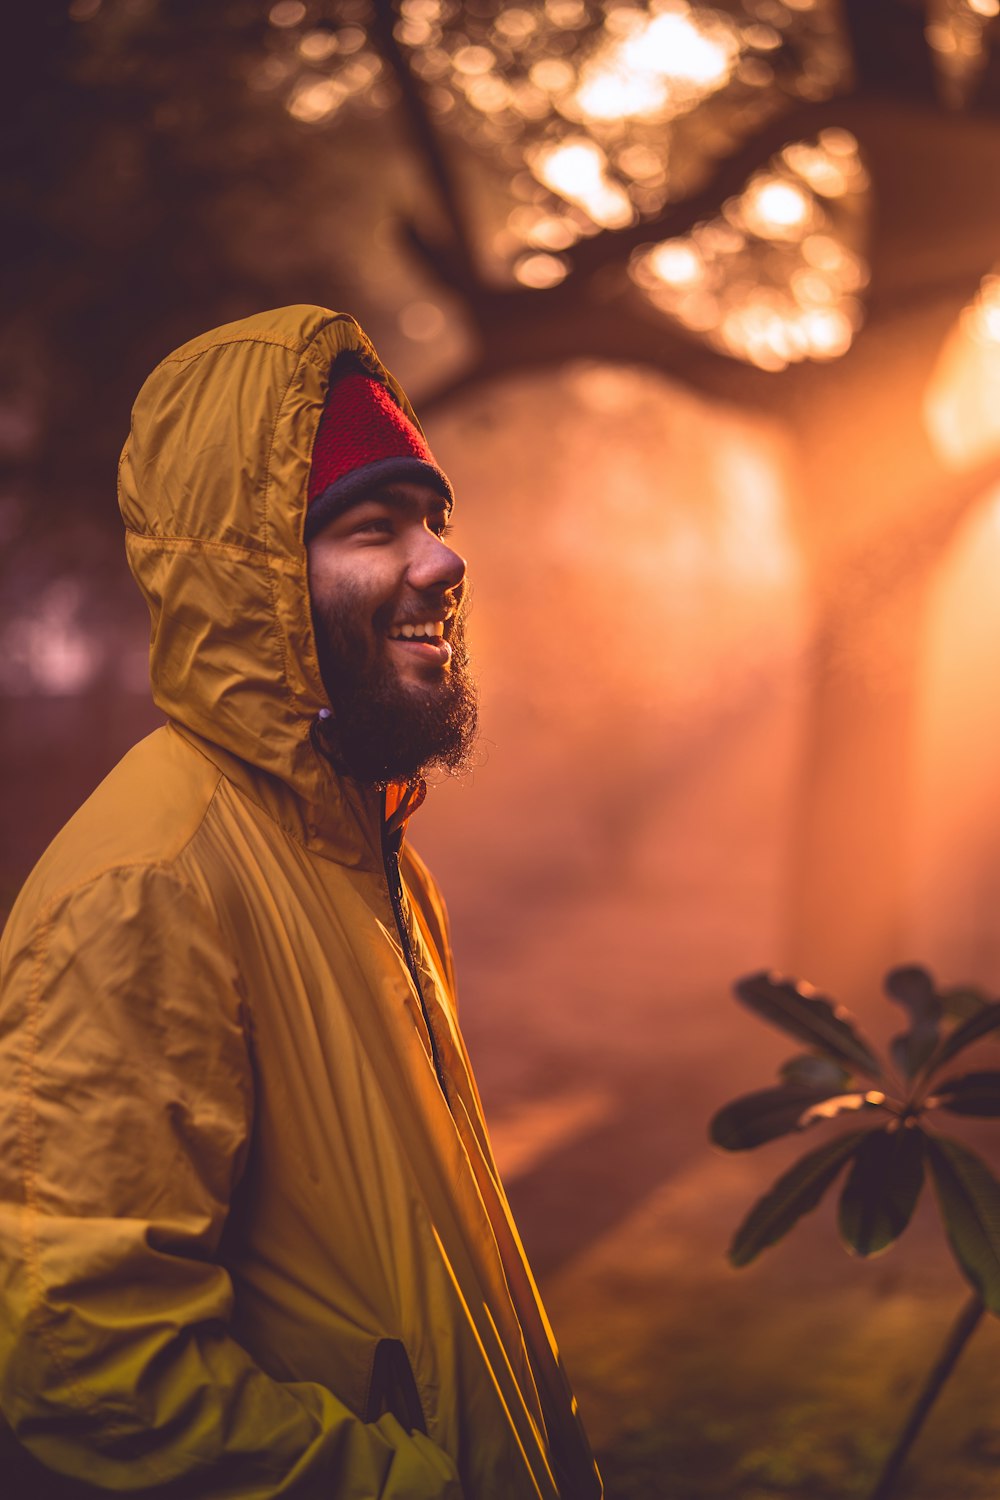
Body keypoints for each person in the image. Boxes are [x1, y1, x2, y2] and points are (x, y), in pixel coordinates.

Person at [0, 305, 603, 1499]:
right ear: (250, 577)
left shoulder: (362, 848)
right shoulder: (145, 890)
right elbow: (88, 1364)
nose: (442, 560)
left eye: (433, 519)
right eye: (374, 528)